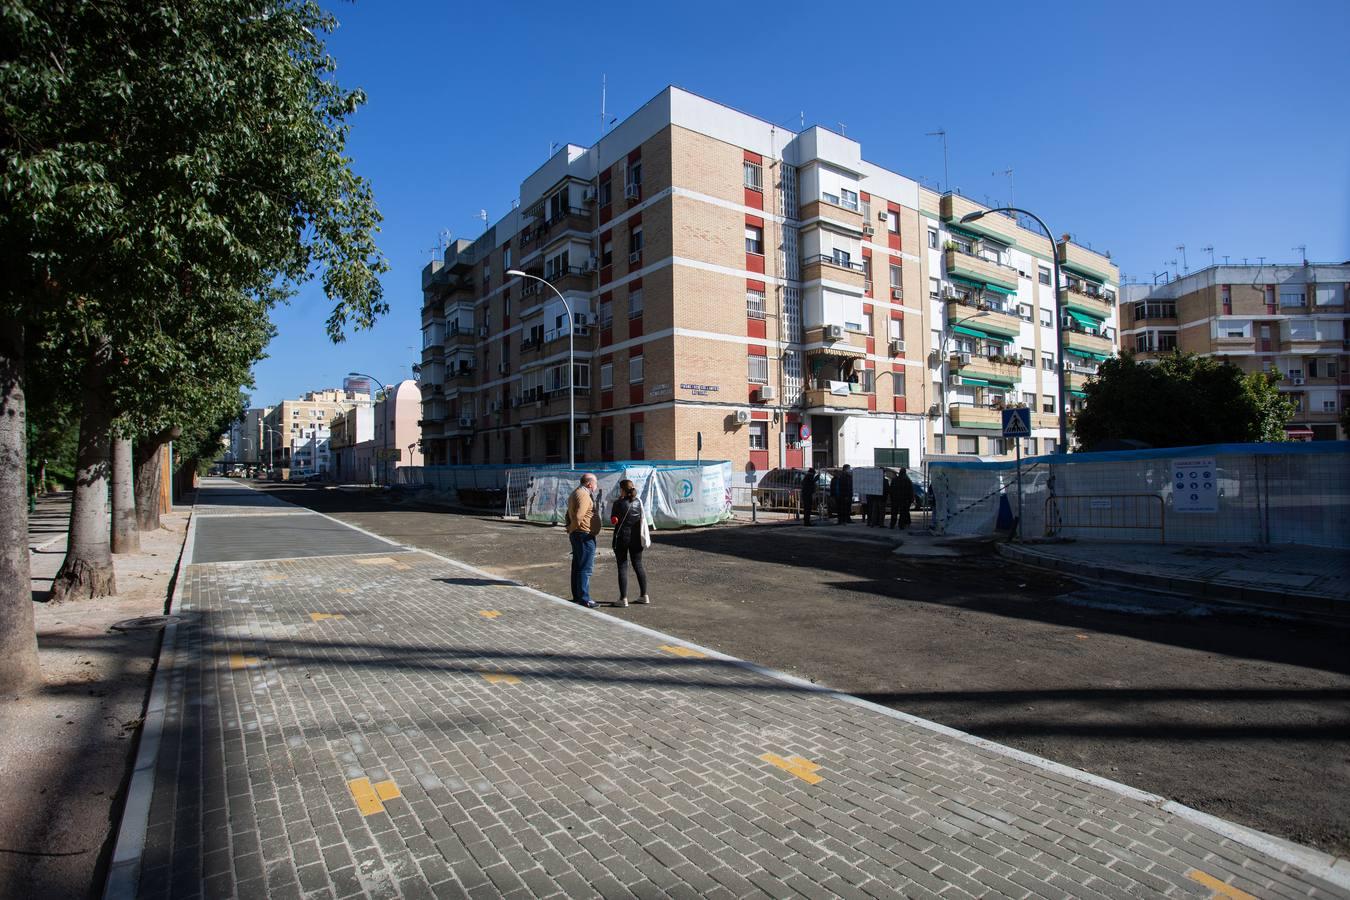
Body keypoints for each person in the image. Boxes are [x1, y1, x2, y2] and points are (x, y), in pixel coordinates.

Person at [608, 479, 650, 607]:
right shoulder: (638, 502)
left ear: (622, 490)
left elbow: (613, 520)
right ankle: (644, 595)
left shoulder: (618, 503)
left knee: (622, 566)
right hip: (637, 538)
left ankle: (623, 598)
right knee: (638, 565)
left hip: (622, 538)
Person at [565, 473, 603, 608]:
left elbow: (569, 513)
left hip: (579, 534)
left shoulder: (576, 492)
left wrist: (570, 528)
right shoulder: (583, 494)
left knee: (578, 566)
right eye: (596, 483)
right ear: (589, 484)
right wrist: (571, 528)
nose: (596, 487)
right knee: (585, 568)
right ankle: (584, 598)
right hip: (583, 535)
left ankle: (577, 596)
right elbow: (579, 515)